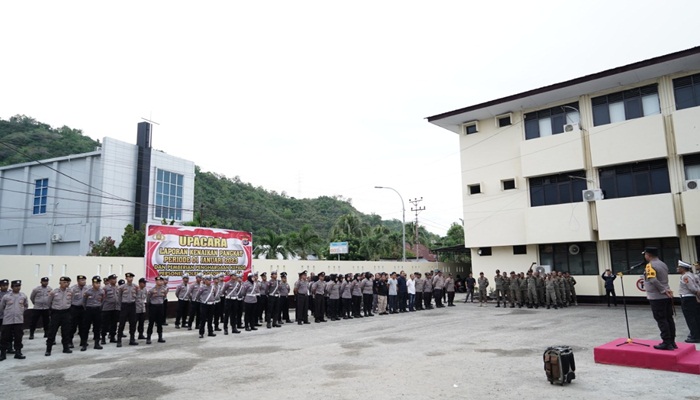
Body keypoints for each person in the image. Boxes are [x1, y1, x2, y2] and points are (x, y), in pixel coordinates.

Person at [642, 247, 676, 350]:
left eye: (645, 254)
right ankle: (672, 341)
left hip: (657, 296)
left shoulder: (650, 265)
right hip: (666, 295)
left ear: (648, 255)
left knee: (661, 319)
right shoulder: (663, 264)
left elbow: (653, 279)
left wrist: (662, 290)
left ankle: (666, 342)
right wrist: (666, 290)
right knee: (668, 318)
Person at [46, 276, 74, 356]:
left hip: (66, 313)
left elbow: (71, 301)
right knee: (52, 331)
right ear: (60, 283)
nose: (66, 284)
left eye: (67, 282)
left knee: (66, 331)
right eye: (64, 282)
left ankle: (66, 348)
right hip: (56, 313)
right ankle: (48, 349)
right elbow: (48, 302)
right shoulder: (54, 292)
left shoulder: (70, 292)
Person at [0, 280, 27, 360]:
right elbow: (2, 307)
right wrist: (8, 313)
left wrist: (20, 312)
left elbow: (25, 306)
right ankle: (3, 353)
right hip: (7, 320)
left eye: (19, 286)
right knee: (4, 337)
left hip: (18, 320)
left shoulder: (23, 296)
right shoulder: (6, 297)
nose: (17, 287)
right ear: (12, 287)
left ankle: (18, 352)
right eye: (15, 286)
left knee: (18, 337)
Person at [677, 261, 700, 343]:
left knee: (690, 318)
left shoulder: (685, 277)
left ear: (683, 268)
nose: (677, 269)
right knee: (695, 317)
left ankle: (695, 336)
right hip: (691, 299)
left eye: (679, 267)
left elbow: (693, 288)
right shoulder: (691, 275)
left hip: (687, 299)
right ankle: (696, 334)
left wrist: (697, 293)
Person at [81, 276, 104, 351]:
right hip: (89, 310)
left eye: (99, 283)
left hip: (97, 310)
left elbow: (103, 300)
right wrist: (87, 308)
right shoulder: (88, 291)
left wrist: (99, 307)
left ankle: (97, 343)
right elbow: (84, 302)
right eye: (96, 283)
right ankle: (84, 344)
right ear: (93, 283)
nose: (98, 284)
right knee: (86, 327)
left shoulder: (101, 291)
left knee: (97, 327)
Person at [116, 272, 140, 347]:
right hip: (124, 305)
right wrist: (121, 306)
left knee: (133, 323)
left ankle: (132, 339)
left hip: (132, 305)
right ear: (126, 278)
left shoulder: (136, 287)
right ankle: (119, 340)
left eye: (131, 277)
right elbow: (119, 297)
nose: (130, 279)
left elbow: (137, 296)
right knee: (122, 323)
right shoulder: (122, 287)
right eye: (129, 277)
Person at [146, 276, 168, 344]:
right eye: (159, 281)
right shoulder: (152, 290)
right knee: (151, 323)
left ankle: (160, 337)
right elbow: (148, 299)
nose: (160, 282)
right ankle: (148, 338)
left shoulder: (164, 290)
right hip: (153, 307)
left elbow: (164, 298)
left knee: (160, 323)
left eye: (161, 281)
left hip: (160, 306)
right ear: (156, 282)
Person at [68, 275, 88, 349]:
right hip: (74, 309)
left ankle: (83, 342)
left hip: (83, 309)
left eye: (84, 280)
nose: (83, 281)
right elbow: (69, 299)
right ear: (78, 281)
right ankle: (69, 341)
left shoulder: (87, 288)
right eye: (82, 280)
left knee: (83, 326)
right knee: (72, 326)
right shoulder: (72, 289)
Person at [100, 274, 119, 344]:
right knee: (105, 324)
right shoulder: (105, 288)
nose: (115, 280)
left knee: (114, 324)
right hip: (107, 308)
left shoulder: (118, 287)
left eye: (115, 279)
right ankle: (103, 338)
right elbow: (102, 298)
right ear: (110, 280)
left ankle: (112, 337)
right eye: (113, 279)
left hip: (115, 308)